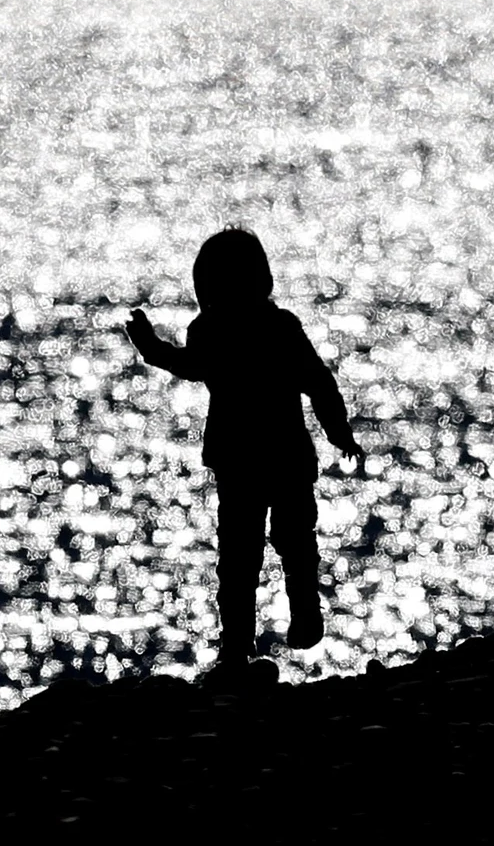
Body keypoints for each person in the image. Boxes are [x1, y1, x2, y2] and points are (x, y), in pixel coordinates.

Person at [125, 228, 364, 674]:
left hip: (239, 460)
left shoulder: (211, 330)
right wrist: (338, 432)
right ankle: (297, 616)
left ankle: (237, 645)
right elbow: (318, 381)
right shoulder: (279, 327)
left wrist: (151, 347)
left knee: (240, 556)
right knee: (292, 543)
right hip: (286, 455)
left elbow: (187, 366)